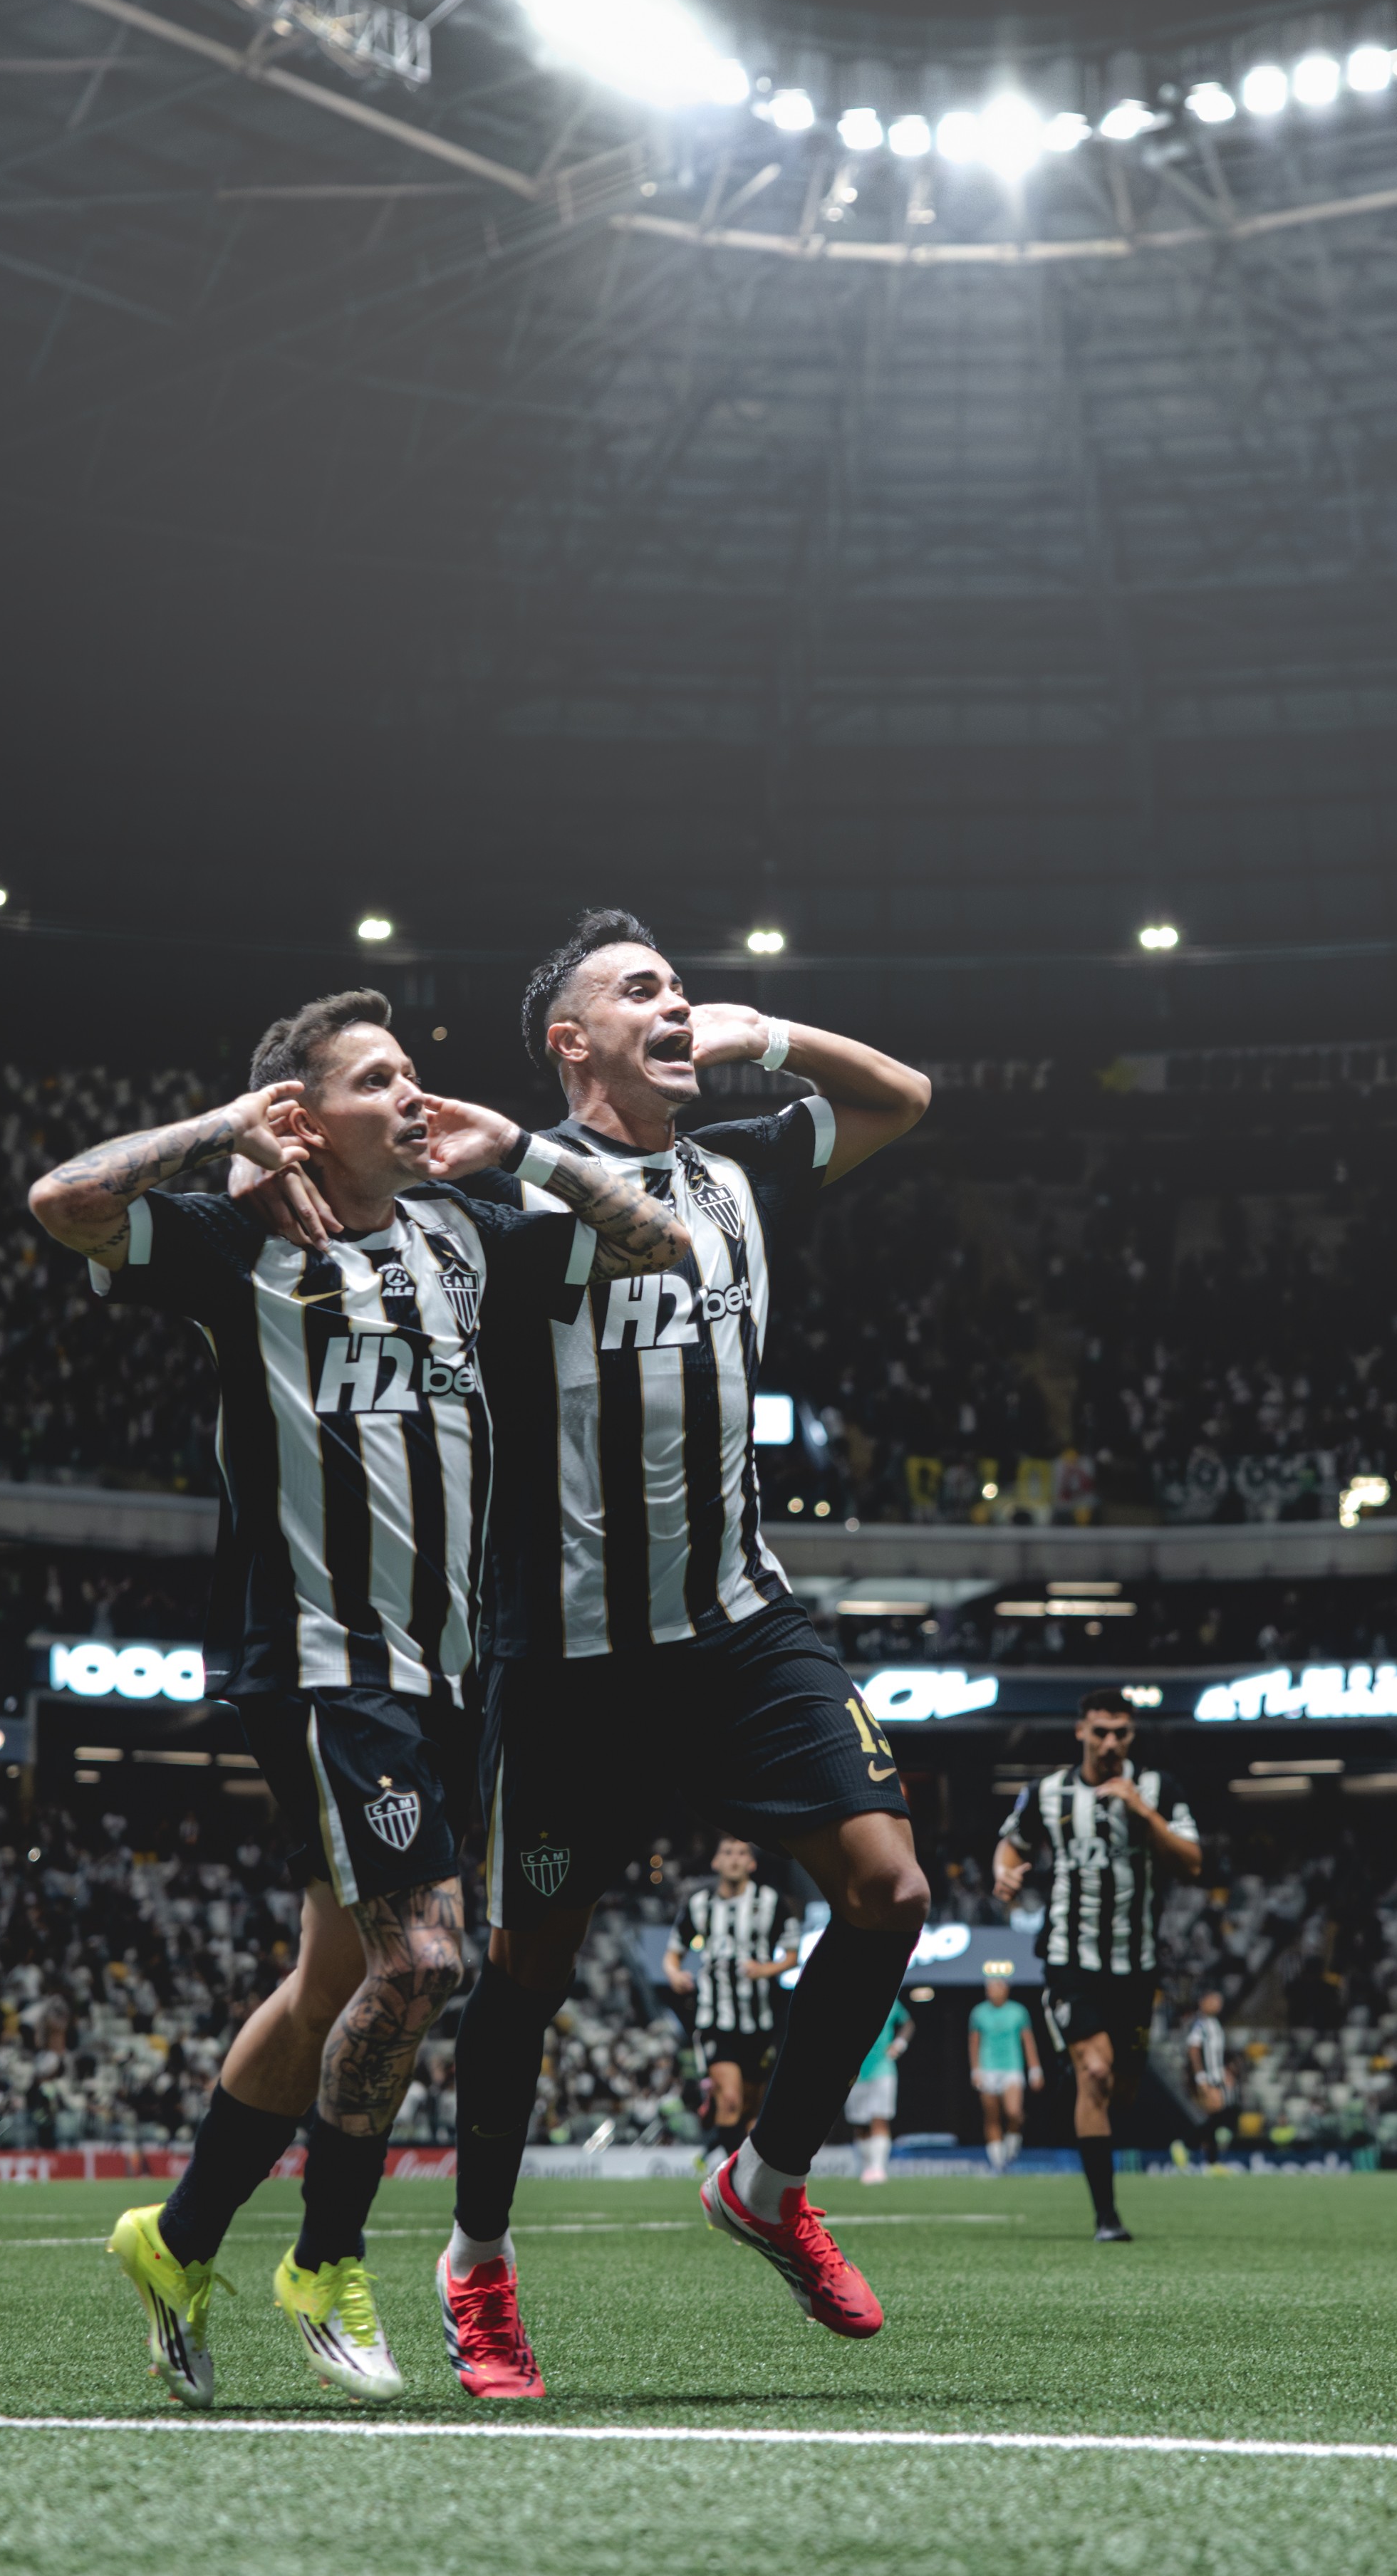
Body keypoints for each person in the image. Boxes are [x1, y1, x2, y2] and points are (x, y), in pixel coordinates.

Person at [31, 990, 687, 2408]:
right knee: (426, 1963)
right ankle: (325, 2258)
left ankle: (175, 2241)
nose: (411, 1093)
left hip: (446, 1672)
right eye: (378, 1078)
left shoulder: (463, 1233)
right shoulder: (239, 1242)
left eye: (413, 1074)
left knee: (333, 1980)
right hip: (327, 1658)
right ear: (302, 1116)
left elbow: (664, 1241)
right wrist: (225, 1131)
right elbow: (63, 1200)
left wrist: (521, 1148)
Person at [411, 912, 936, 2394]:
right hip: (572, 1657)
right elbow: (580, 1226)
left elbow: (904, 1097)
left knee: (891, 1892)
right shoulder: (500, 1198)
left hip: (740, 1625)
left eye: (681, 988)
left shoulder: (741, 1166)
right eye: (640, 990)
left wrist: (769, 1034)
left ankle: (766, 2184)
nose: (676, 1004)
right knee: (526, 1971)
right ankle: (477, 2262)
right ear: (569, 1040)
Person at [995, 1690, 1202, 2241]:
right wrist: (1005, 1873)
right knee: (1097, 2072)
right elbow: (1012, 1845)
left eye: (1121, 1733)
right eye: (1101, 1731)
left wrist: (1144, 1814)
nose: (1111, 1742)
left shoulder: (1159, 1789)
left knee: (1123, 2089)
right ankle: (1106, 2218)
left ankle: (1076, 2075)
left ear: (1132, 1736)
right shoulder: (1048, 1792)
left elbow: (1192, 1863)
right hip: (1070, 1960)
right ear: (1081, 1732)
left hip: (1137, 1967)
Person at [664, 1834, 795, 2166]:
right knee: (732, 2099)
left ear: (751, 1863)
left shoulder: (771, 1902)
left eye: (741, 1853)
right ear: (716, 1862)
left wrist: (766, 1969)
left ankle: (736, 2168)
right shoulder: (699, 1904)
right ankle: (731, 2179)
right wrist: (675, 1975)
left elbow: (793, 1954)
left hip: (760, 2020)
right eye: (728, 1852)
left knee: (750, 2108)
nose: (734, 1858)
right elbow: (672, 1954)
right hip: (715, 2019)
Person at [966, 1961, 1039, 2171]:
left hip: (1012, 2068)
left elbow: (1028, 2042)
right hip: (987, 2069)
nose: (993, 1990)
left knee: (1014, 2112)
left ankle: (1012, 2144)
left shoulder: (1018, 2012)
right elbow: (974, 2044)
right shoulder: (979, 2012)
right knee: (992, 2116)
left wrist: (1035, 2069)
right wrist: (976, 2070)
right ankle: (998, 2163)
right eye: (990, 1986)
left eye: (997, 1986)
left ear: (1006, 1988)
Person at [841, 1994, 913, 2186]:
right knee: (860, 2124)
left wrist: (899, 2044)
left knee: (879, 2118)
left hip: (883, 2069)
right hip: (855, 2071)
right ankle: (867, 2168)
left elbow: (908, 2023)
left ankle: (878, 2168)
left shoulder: (890, 2000)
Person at [1182, 1990, 1237, 2171]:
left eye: (1219, 2001)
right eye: (1213, 2000)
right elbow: (1193, 2050)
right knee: (1217, 2117)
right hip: (1208, 2079)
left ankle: (1212, 2163)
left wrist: (1224, 2072)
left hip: (1216, 2077)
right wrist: (1201, 2078)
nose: (1218, 2004)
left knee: (1215, 2119)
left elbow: (1216, 2054)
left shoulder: (1215, 2024)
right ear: (1203, 2002)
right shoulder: (1201, 2024)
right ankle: (1186, 2144)